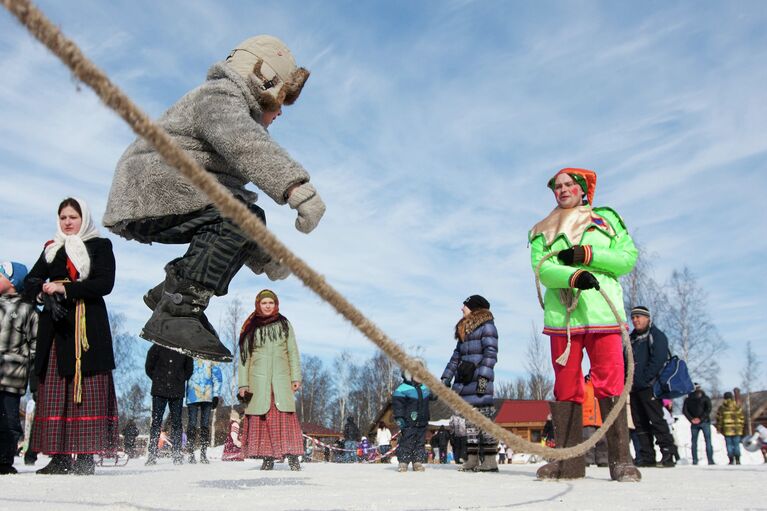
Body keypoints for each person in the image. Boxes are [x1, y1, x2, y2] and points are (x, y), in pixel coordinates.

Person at [102, 35, 325, 363]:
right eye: (280, 99)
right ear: (262, 79)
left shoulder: (233, 108)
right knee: (238, 214)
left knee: (249, 216)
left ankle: (170, 293)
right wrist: (296, 188)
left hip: (172, 191)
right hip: (151, 187)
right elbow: (245, 144)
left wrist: (267, 256)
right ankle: (178, 310)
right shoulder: (219, 96)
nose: (280, 111)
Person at [529, 168, 640, 482]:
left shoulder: (605, 220)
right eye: (557, 186)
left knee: (611, 385)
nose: (563, 190)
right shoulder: (540, 230)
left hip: (602, 314)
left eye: (568, 185)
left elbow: (627, 257)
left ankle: (620, 461)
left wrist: (589, 255)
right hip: (563, 319)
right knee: (566, 388)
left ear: (582, 188)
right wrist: (574, 275)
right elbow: (543, 269)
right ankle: (569, 463)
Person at [24, 198, 119, 475]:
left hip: (87, 326)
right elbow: (29, 281)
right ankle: (61, 456)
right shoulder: (51, 250)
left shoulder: (99, 246)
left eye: (73, 217)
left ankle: (87, 456)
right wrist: (43, 293)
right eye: (63, 217)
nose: (67, 222)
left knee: (87, 388)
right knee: (57, 388)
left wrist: (65, 290)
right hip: (57, 328)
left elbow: (105, 283)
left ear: (84, 219)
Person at [238, 289, 303, 471]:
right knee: (263, 418)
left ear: (276, 305)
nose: (267, 306)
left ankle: (292, 456)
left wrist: (295, 376)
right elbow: (244, 358)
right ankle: (267, 457)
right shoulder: (250, 326)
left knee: (284, 416)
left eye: (271, 303)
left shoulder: (284, 324)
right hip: (257, 380)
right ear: (258, 304)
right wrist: (243, 384)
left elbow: (292, 352)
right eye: (264, 303)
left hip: (281, 379)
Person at [441, 295, 499, 473]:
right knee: (470, 424)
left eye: (464, 306)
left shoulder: (487, 327)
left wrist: (483, 377)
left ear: (474, 308)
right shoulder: (464, 330)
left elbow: (491, 353)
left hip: (479, 381)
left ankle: (489, 460)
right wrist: (446, 378)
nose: (461, 309)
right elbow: (455, 357)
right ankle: (472, 459)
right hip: (464, 381)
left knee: (484, 422)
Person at [0, 261, 37, 475]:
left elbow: (35, 343)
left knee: (9, 419)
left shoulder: (26, 310)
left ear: (12, 282)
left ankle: (4, 459)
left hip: (12, 377)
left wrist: (25, 363)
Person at [629, 306, 677, 468]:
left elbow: (659, 359)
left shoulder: (656, 335)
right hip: (634, 387)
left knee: (656, 419)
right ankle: (647, 455)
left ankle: (668, 452)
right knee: (640, 422)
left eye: (639, 317)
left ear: (648, 318)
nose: (636, 320)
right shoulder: (632, 339)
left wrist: (645, 378)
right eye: (633, 317)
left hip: (651, 386)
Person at [145, 344, 193, 465]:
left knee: (177, 422)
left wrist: (180, 378)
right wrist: (157, 378)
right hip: (159, 389)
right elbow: (149, 367)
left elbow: (189, 369)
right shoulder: (157, 346)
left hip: (177, 390)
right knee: (156, 422)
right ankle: (152, 454)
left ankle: (177, 454)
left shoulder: (184, 349)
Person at [393, 358, 435, 472]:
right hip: (408, 421)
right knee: (407, 441)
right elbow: (398, 406)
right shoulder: (402, 389)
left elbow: (434, 396)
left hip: (422, 420)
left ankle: (417, 461)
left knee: (420, 442)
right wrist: (399, 418)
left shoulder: (425, 388)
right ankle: (403, 461)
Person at [185, 358, 222, 464]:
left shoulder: (210, 357)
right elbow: (183, 373)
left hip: (207, 395)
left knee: (205, 425)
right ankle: (191, 453)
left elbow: (217, 376)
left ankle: (203, 454)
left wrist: (216, 395)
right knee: (192, 424)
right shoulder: (190, 356)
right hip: (193, 395)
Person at [683, 383, 715, 465]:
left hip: (694, 423)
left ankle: (695, 460)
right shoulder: (705, 397)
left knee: (694, 442)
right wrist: (701, 418)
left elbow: (685, 411)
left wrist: (691, 419)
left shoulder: (688, 399)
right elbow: (708, 409)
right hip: (705, 422)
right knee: (708, 441)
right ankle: (710, 460)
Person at [582, 374, 608, 467]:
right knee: (587, 439)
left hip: (600, 418)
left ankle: (603, 459)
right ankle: (586, 459)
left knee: (603, 440)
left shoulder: (601, 386)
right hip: (587, 418)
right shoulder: (584, 385)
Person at [716, 391, 745, 465]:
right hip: (737, 429)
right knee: (736, 445)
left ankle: (731, 460)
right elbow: (742, 417)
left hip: (727, 429)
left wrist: (719, 428)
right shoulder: (737, 406)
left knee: (729, 445)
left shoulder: (722, 407)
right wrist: (741, 426)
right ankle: (738, 459)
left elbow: (719, 419)